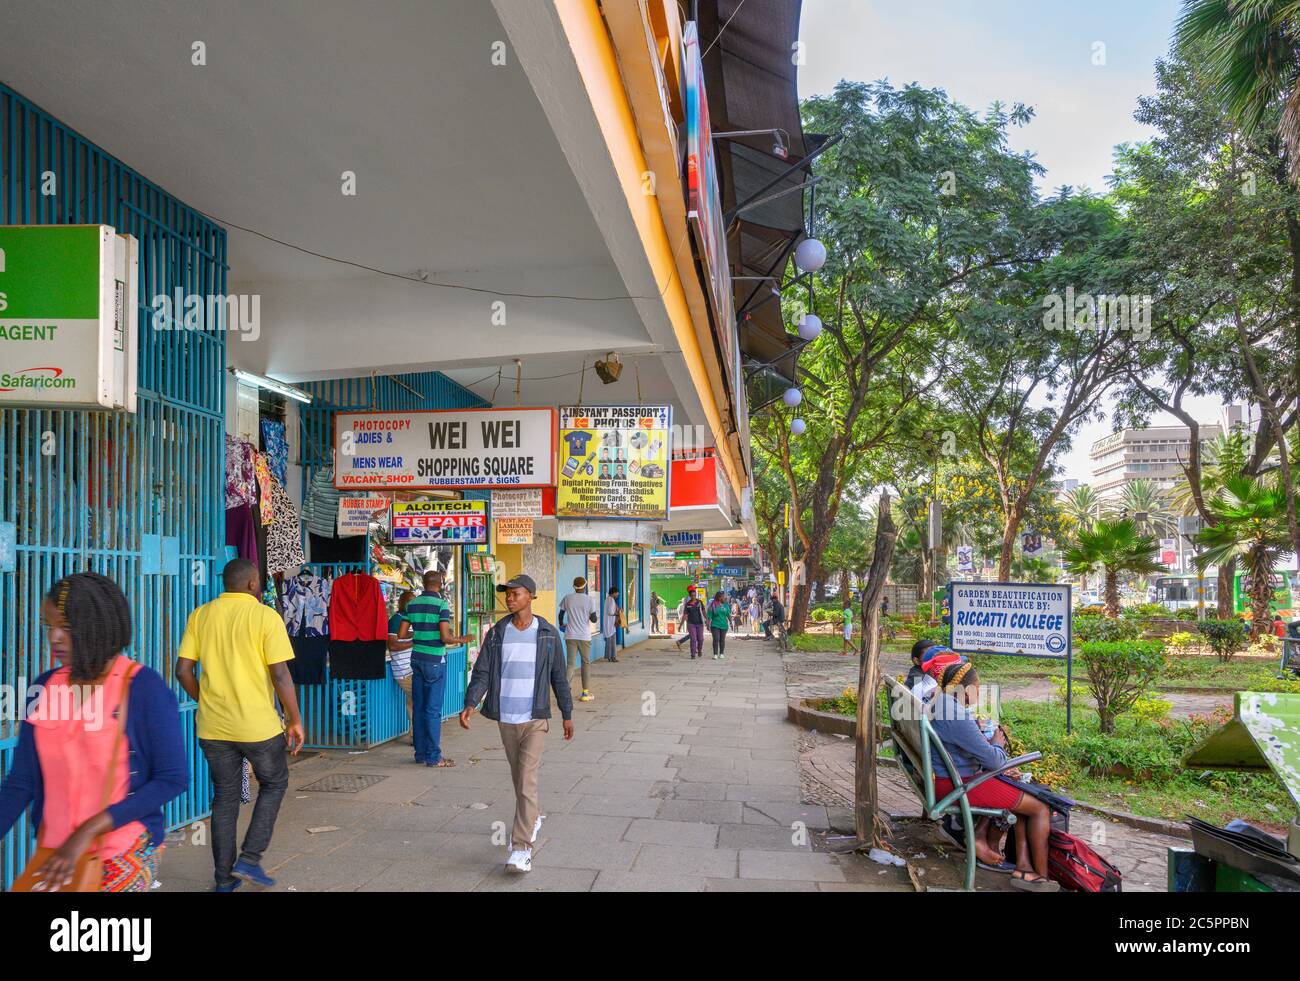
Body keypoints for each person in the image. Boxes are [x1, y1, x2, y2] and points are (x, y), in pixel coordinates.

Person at [0, 573, 188, 892]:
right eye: (49, 626)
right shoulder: (43, 687)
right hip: (56, 852)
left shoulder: (143, 688)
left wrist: (88, 831)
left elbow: (172, 778)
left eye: (67, 628)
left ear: (98, 627)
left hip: (123, 851)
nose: (55, 638)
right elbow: (22, 782)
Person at [177, 558, 305, 891]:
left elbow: (183, 670)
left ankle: (223, 881)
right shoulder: (265, 616)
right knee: (274, 784)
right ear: (251, 583)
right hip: (257, 726)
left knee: (225, 799)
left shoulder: (201, 615)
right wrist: (295, 719)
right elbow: (279, 674)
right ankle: (249, 859)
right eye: (259, 581)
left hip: (213, 727)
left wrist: (205, 699)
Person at [459, 574, 572, 874]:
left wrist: (567, 713)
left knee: (526, 779)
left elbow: (558, 677)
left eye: (515, 594)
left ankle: (521, 848)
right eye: (507, 594)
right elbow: (482, 671)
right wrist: (471, 702)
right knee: (518, 777)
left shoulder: (547, 633)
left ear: (530, 596)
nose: (509, 598)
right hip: (505, 717)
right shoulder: (497, 632)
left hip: (534, 717)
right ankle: (531, 816)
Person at [929, 662, 1057, 891]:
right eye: (977, 687)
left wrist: (978, 733)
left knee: (1022, 791)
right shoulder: (956, 715)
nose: (979, 691)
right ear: (966, 689)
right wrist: (997, 743)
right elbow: (995, 761)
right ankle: (1040, 875)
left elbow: (966, 743)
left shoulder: (942, 704)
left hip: (953, 779)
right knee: (1039, 808)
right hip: (960, 787)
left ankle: (1024, 867)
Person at [406, 571, 473, 768]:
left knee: (419, 708)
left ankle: (420, 753)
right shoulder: (441, 605)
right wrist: (462, 639)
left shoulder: (412, 604)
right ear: (440, 583)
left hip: (416, 658)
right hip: (435, 660)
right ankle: (434, 757)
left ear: (424, 583)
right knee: (433, 711)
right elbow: (445, 637)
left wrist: (420, 636)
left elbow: (402, 632)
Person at [558, 576, 598, 702]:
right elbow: (594, 619)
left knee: (570, 664)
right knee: (585, 663)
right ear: (585, 586)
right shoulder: (589, 600)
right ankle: (585, 693)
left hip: (570, 635)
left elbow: (561, 614)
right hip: (584, 636)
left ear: (574, 587)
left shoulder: (567, 598)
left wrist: (561, 624)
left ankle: (564, 692)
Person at [388, 590, 416, 738]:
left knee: (413, 701)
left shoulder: (410, 619)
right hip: (403, 670)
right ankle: (415, 734)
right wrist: (413, 642)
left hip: (413, 668)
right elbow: (392, 646)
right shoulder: (396, 620)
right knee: (418, 700)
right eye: (410, 602)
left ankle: (414, 732)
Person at [679, 586, 706, 658]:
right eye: (692, 595)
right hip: (691, 624)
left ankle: (699, 650)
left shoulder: (699, 602)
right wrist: (680, 625)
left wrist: (707, 620)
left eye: (695, 595)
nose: (694, 597)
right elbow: (685, 615)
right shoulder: (687, 605)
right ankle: (693, 654)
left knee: (701, 639)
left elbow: (703, 612)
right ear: (690, 596)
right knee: (693, 639)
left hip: (700, 624)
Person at [601, 586, 623, 662]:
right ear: (614, 593)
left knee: (609, 641)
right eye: (617, 594)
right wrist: (617, 614)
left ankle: (610, 657)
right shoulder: (611, 600)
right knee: (611, 641)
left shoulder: (608, 599)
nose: (617, 595)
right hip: (610, 624)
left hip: (609, 624)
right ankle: (612, 657)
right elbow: (610, 612)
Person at [707, 590, 731, 660]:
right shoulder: (713, 605)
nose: (725, 598)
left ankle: (721, 653)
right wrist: (708, 624)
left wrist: (731, 623)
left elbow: (728, 614)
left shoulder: (726, 605)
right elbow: (709, 616)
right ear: (719, 598)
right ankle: (715, 654)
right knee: (716, 639)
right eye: (723, 597)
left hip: (724, 625)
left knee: (722, 640)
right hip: (715, 625)